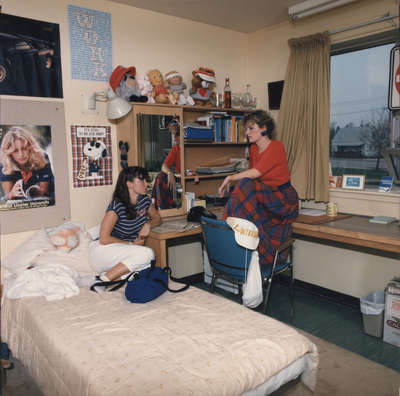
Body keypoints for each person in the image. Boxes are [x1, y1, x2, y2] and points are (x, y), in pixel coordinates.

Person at [218, 110, 299, 269]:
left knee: (244, 183)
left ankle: (226, 227)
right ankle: (239, 244)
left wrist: (230, 178)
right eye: (246, 129)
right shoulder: (254, 149)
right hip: (265, 196)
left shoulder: (277, 147)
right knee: (245, 192)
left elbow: (256, 173)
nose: (247, 133)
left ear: (264, 129)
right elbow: (253, 180)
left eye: (251, 128)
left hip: (282, 198)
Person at [90, 166, 162, 287]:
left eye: (146, 180)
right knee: (148, 254)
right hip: (103, 251)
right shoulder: (117, 205)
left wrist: (148, 224)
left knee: (147, 265)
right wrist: (131, 245)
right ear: (129, 184)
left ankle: (109, 279)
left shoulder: (144, 200)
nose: (146, 184)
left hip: (123, 253)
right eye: (141, 181)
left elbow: (157, 218)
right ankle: (102, 281)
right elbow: (104, 239)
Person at [0, 126, 54, 201]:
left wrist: (36, 190)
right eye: (15, 150)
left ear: (30, 147)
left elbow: (45, 191)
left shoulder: (42, 157)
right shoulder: (4, 164)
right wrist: (12, 193)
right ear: (9, 153)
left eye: (24, 148)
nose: (21, 154)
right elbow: (7, 197)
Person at [152, 119, 181, 209]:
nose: (174, 138)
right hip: (179, 178)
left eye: (177, 135)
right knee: (161, 176)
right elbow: (164, 166)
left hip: (189, 177)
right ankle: (161, 207)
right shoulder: (175, 148)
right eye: (174, 135)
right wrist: (169, 173)